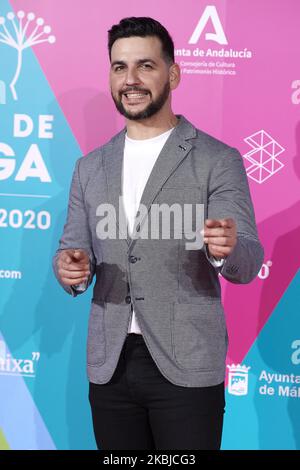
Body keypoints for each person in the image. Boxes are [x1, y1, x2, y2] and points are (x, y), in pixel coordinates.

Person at [53, 17, 264, 450]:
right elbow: (73, 252)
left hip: (186, 363)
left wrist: (226, 250)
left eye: (145, 66)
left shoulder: (217, 160)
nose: (130, 80)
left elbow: (248, 260)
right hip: (109, 366)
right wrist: (70, 269)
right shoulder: (89, 167)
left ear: (173, 73)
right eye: (119, 67)